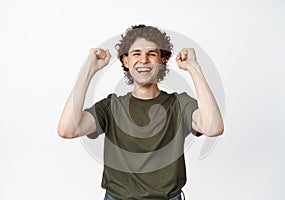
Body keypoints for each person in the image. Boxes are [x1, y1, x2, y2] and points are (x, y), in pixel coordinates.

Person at [57, 24, 224, 200]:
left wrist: (194, 68)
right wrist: (89, 69)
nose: (144, 60)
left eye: (152, 54)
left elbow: (213, 128)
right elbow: (67, 130)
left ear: (162, 60)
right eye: (136, 54)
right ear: (125, 61)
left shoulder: (179, 104)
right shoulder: (111, 106)